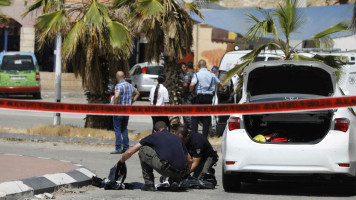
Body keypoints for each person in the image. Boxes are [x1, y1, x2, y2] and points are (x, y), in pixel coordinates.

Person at [117, 121, 192, 191]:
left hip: (167, 169)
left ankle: (149, 184)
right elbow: (189, 160)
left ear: (155, 131)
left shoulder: (154, 136)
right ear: (167, 128)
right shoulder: (177, 137)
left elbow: (130, 152)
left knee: (143, 149)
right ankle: (174, 181)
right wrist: (185, 174)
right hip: (181, 172)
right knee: (172, 156)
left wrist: (120, 162)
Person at [189, 59, 225, 137]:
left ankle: (194, 136)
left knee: (195, 117)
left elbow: (192, 85)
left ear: (199, 66)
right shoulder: (212, 75)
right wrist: (223, 88)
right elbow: (219, 83)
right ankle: (204, 137)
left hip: (199, 98)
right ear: (205, 65)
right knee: (206, 117)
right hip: (208, 98)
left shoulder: (197, 74)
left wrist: (191, 91)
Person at [111, 71, 140, 154]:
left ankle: (118, 148)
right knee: (124, 129)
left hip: (118, 111)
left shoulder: (118, 86)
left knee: (117, 129)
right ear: (124, 76)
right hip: (126, 111)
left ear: (117, 78)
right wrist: (131, 102)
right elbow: (137, 93)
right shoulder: (129, 85)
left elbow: (116, 96)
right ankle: (126, 147)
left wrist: (115, 104)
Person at [181, 61, 195, 130]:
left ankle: (189, 126)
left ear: (187, 67)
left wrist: (182, 92)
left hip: (187, 95)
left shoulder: (188, 74)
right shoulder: (195, 73)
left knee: (186, 111)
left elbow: (185, 84)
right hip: (194, 95)